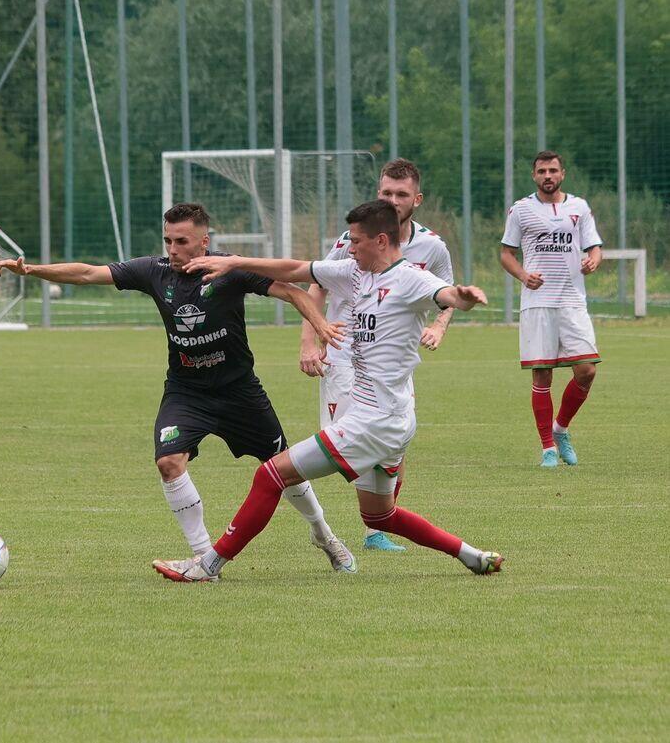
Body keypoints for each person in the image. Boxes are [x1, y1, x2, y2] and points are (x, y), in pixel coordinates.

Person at [0, 202, 357, 576]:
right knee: (169, 463)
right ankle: (205, 559)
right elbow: (88, 273)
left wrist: (321, 328)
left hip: (240, 393)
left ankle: (324, 535)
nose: (172, 249)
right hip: (187, 393)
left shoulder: (228, 270)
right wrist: (32, 270)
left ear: (204, 241)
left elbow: (295, 293)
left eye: (181, 241)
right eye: (168, 240)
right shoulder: (154, 272)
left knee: (283, 467)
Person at [153, 200, 501, 583]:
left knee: (270, 475)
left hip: (374, 422)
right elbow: (295, 269)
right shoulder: (353, 272)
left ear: (381, 241)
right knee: (379, 516)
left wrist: (464, 297)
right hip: (393, 418)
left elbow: (449, 296)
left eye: (356, 241)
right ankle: (471, 555)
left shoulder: (411, 280)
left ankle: (207, 566)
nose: (349, 248)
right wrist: (234, 262)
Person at [298, 158, 454, 553]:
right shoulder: (351, 240)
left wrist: (438, 327)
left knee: (391, 442)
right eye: (386, 192)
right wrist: (310, 341)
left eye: (401, 194)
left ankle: (376, 528)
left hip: (392, 362)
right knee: (352, 442)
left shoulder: (432, 246)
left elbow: (447, 293)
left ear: (417, 199)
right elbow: (316, 285)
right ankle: (341, 520)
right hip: (344, 355)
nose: (393, 200)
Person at [500, 151, 602, 468]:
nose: (548, 175)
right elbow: (506, 253)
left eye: (553, 170)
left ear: (562, 174)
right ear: (534, 175)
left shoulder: (579, 207)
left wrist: (593, 260)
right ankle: (547, 447)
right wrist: (523, 275)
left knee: (587, 370)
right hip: (538, 303)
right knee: (542, 374)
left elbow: (594, 248)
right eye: (542, 171)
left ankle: (560, 429)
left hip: (572, 301)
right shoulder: (521, 209)